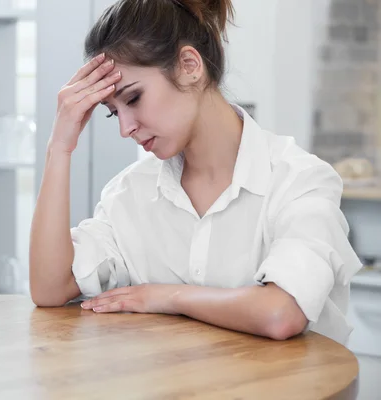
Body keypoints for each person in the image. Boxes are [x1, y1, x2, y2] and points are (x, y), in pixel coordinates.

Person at [29, 0, 362, 345]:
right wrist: (59, 149)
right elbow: (49, 288)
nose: (125, 128)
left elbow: (281, 313)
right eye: (112, 112)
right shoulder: (130, 194)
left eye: (133, 98)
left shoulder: (299, 180)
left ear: (190, 65)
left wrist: (163, 297)